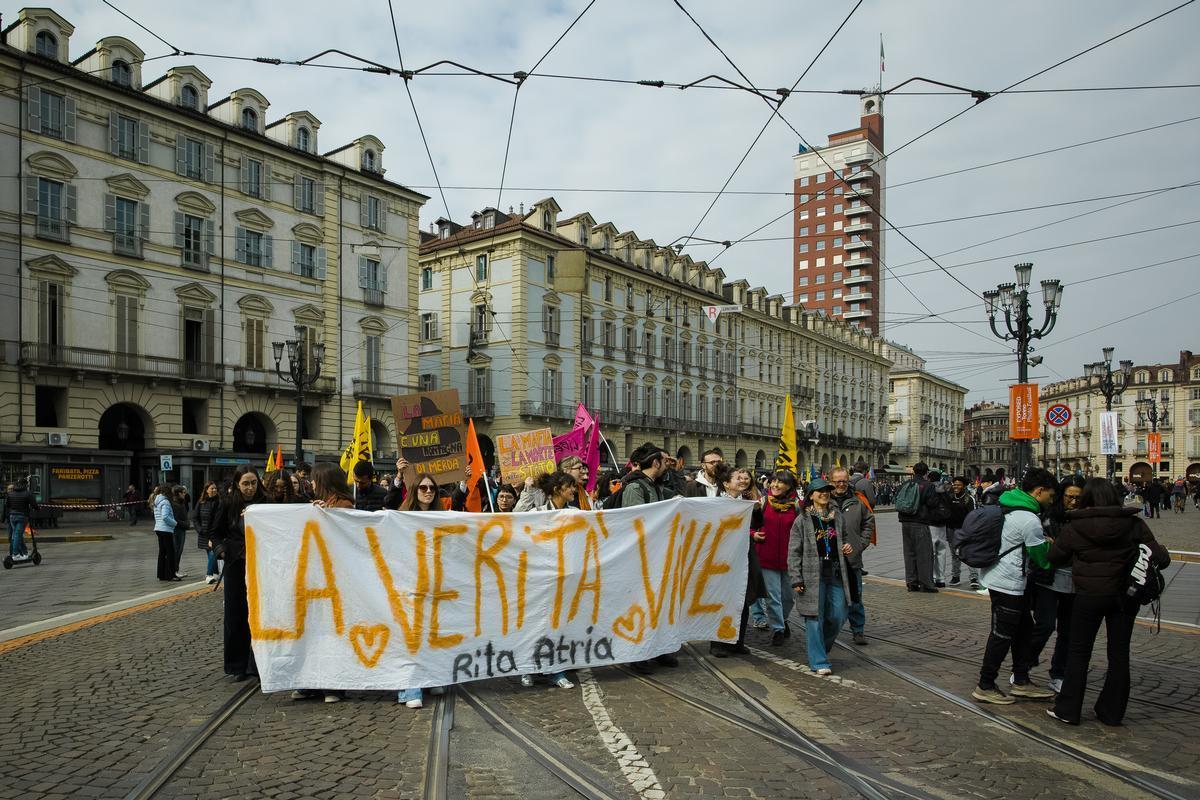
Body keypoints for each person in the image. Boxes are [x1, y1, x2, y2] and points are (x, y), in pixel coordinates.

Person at [1047, 478, 1170, 726]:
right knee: (1119, 653)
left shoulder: (1076, 526)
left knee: (1079, 652)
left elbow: (1055, 558)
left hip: (1088, 596)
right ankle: (1112, 712)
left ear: (1087, 499)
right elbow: (1161, 559)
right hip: (1125, 597)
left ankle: (1068, 709)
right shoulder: (1134, 524)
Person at [972, 468, 1058, 705]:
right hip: (1008, 582)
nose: (1051, 501)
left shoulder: (1009, 504)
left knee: (1024, 630)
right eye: (1050, 495)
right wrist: (1050, 545)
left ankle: (1021, 681)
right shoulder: (1028, 518)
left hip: (1002, 577)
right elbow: (1042, 559)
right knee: (1002, 634)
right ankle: (985, 684)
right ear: (1038, 491)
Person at [292, 463, 355, 704]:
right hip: (318, 581)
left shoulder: (344, 505)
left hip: (336, 582)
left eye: (315, 480)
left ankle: (334, 685)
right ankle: (313, 683)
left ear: (326, 482)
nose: (312, 484)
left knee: (333, 634)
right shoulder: (321, 505)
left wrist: (326, 516)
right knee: (315, 633)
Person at [511, 471, 579, 689]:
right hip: (537, 579)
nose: (574, 490)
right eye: (570, 486)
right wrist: (528, 492)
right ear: (558, 488)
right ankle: (527, 668)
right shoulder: (538, 512)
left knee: (557, 625)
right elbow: (515, 517)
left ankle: (556, 670)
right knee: (533, 625)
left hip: (564, 579)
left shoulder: (576, 513)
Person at [613, 443, 678, 673]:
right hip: (640, 558)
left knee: (658, 604)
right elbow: (635, 523)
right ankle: (637, 653)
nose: (667, 465)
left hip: (657, 555)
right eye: (664, 460)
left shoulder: (657, 486)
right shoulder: (635, 488)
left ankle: (658, 648)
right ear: (655, 463)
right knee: (639, 605)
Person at [789, 478, 859, 676]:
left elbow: (844, 538)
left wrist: (846, 546)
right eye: (819, 491)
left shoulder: (837, 517)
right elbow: (793, 551)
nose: (824, 494)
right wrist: (796, 578)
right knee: (814, 617)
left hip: (836, 570)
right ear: (811, 495)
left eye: (827, 490)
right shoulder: (802, 520)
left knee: (838, 614)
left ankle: (821, 647)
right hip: (812, 573)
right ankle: (819, 660)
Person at [1023, 475, 1083, 695]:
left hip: (1075, 583)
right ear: (1061, 496)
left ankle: (1058, 673)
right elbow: (1045, 551)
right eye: (1069, 497)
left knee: (1068, 631)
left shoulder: (1084, 519)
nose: (1073, 502)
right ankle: (1024, 666)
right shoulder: (1047, 517)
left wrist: (1057, 546)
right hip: (1047, 579)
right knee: (1045, 625)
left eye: (1078, 498)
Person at [396, 472, 448, 707]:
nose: (428, 492)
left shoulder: (444, 518)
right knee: (412, 635)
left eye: (432, 488)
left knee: (432, 634)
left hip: (436, 584)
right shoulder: (400, 517)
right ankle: (409, 687)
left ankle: (430, 676)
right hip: (408, 584)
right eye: (423, 488)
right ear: (414, 490)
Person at [210, 466, 266, 681]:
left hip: (261, 564)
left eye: (253, 482)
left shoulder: (266, 502)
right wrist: (221, 550)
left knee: (260, 613)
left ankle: (258, 664)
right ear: (237, 484)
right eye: (245, 483)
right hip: (236, 564)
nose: (250, 488)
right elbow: (215, 533)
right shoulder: (227, 504)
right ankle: (237, 665)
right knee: (236, 613)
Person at [712, 465, 767, 658]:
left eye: (744, 478)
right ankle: (718, 643)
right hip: (723, 559)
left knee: (743, 599)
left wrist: (758, 509)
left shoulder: (747, 502)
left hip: (744, 555)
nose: (742, 481)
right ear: (726, 484)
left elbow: (757, 524)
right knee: (723, 599)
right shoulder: (717, 503)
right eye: (737, 478)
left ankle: (737, 641)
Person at [751, 470, 800, 646]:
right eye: (773, 482)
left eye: (781, 482)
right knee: (773, 597)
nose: (775, 485)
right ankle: (778, 629)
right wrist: (753, 534)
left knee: (789, 597)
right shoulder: (762, 503)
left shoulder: (796, 506)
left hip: (790, 560)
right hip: (766, 558)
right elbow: (748, 525)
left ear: (789, 486)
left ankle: (783, 619)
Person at [829, 467, 874, 646]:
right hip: (829, 558)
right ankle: (830, 627)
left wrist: (860, 544)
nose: (841, 485)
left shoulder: (858, 500)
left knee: (856, 596)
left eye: (844, 481)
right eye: (837, 481)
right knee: (831, 597)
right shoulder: (824, 499)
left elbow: (868, 522)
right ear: (830, 482)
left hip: (852, 557)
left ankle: (858, 630)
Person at [897, 463, 938, 593]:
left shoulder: (905, 484)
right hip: (920, 522)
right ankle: (926, 584)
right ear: (926, 472)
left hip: (905, 522)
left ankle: (911, 583)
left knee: (909, 553)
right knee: (924, 554)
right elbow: (932, 503)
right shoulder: (928, 485)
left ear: (913, 471)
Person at [946, 476, 978, 589]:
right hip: (951, 530)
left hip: (965, 531)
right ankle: (955, 577)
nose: (956, 486)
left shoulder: (969, 499)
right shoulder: (949, 497)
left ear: (964, 486)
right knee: (954, 555)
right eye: (954, 484)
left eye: (958, 484)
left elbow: (973, 516)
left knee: (968, 553)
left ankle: (974, 578)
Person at [926, 470, 952, 588]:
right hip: (943, 523)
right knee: (942, 551)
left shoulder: (930, 489)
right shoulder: (945, 490)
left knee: (931, 551)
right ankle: (941, 579)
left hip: (931, 522)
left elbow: (928, 504)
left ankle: (931, 576)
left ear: (930, 479)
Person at [151, 484, 180, 582]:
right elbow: (165, 516)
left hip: (158, 528)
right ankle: (170, 575)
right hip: (166, 529)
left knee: (162, 552)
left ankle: (161, 574)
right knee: (170, 552)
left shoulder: (156, 501)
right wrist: (175, 523)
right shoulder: (165, 502)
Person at [194, 481, 221, 584]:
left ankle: (209, 575)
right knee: (210, 553)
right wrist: (199, 529)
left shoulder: (219, 501)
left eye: (215, 488)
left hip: (215, 533)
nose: (214, 490)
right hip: (204, 533)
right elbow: (195, 517)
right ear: (206, 490)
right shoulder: (201, 502)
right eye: (212, 488)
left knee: (212, 552)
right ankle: (215, 572)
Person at [6, 478, 36, 559]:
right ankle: (15, 554)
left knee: (16, 535)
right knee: (17, 535)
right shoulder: (28, 493)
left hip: (12, 516)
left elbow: (8, 505)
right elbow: (34, 505)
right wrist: (37, 508)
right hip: (22, 516)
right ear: (25, 485)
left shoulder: (10, 493)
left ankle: (24, 553)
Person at [171, 485, 192, 579]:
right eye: (183, 492)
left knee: (179, 550)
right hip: (177, 530)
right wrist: (186, 524)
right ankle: (174, 570)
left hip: (181, 529)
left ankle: (176, 569)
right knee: (177, 550)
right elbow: (176, 519)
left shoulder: (181, 503)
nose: (185, 494)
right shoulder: (175, 504)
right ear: (179, 493)